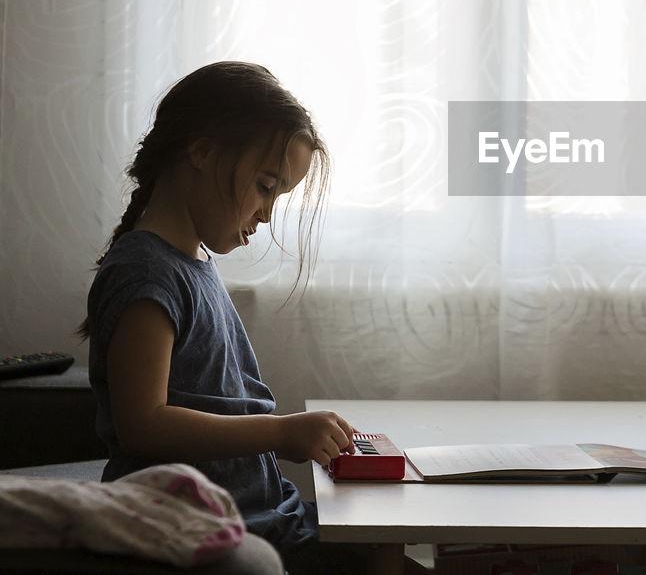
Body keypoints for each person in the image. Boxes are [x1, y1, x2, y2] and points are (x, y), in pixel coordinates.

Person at [78, 62, 419, 575]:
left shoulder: (192, 263)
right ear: (202, 150)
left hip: (263, 515)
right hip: (212, 529)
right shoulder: (145, 274)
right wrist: (280, 433)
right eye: (264, 187)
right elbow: (143, 426)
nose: (266, 214)